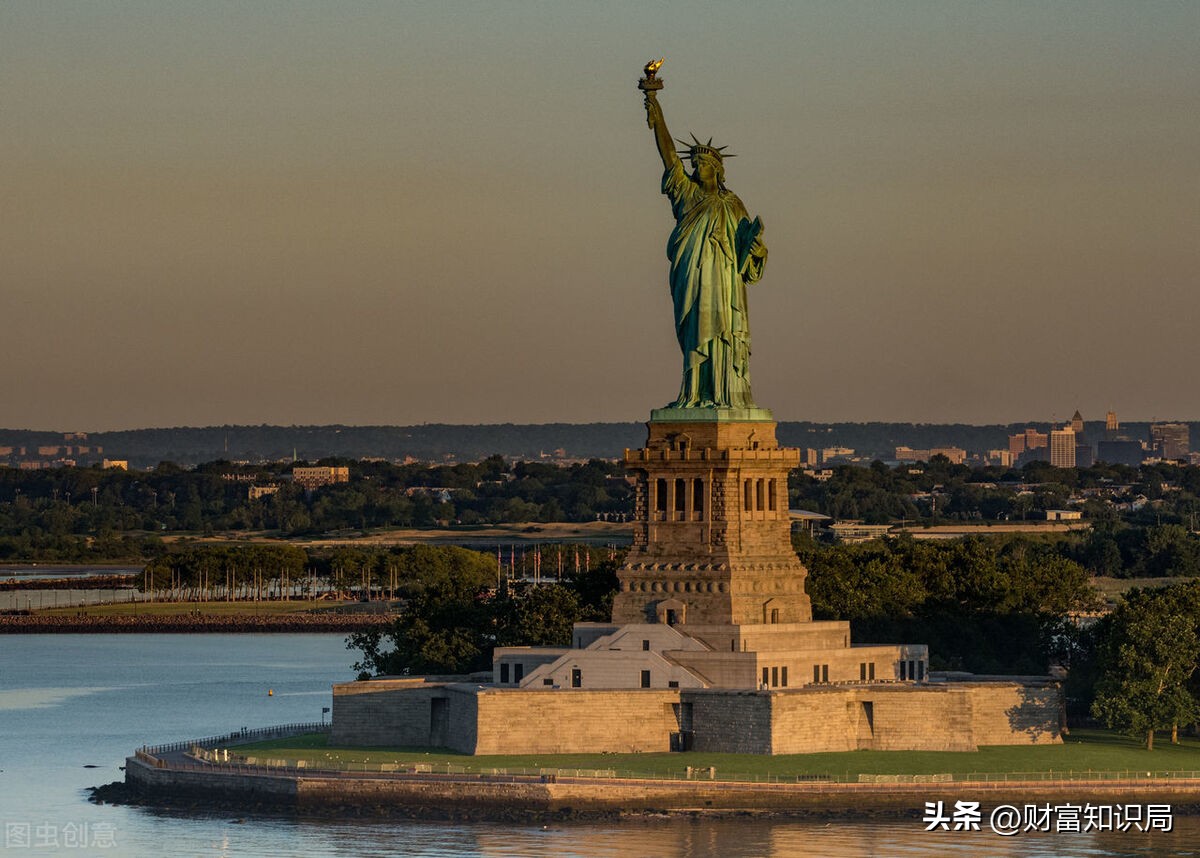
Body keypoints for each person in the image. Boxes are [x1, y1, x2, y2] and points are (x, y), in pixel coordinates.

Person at [643, 88, 767, 409]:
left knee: (721, 332)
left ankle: (725, 394)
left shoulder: (732, 203)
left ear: (717, 169)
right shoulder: (685, 193)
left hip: (724, 281)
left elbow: (747, 254)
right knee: (695, 332)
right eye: (695, 163)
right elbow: (669, 155)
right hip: (693, 275)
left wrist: (756, 247)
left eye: (704, 163)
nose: (697, 167)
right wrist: (656, 109)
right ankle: (696, 393)